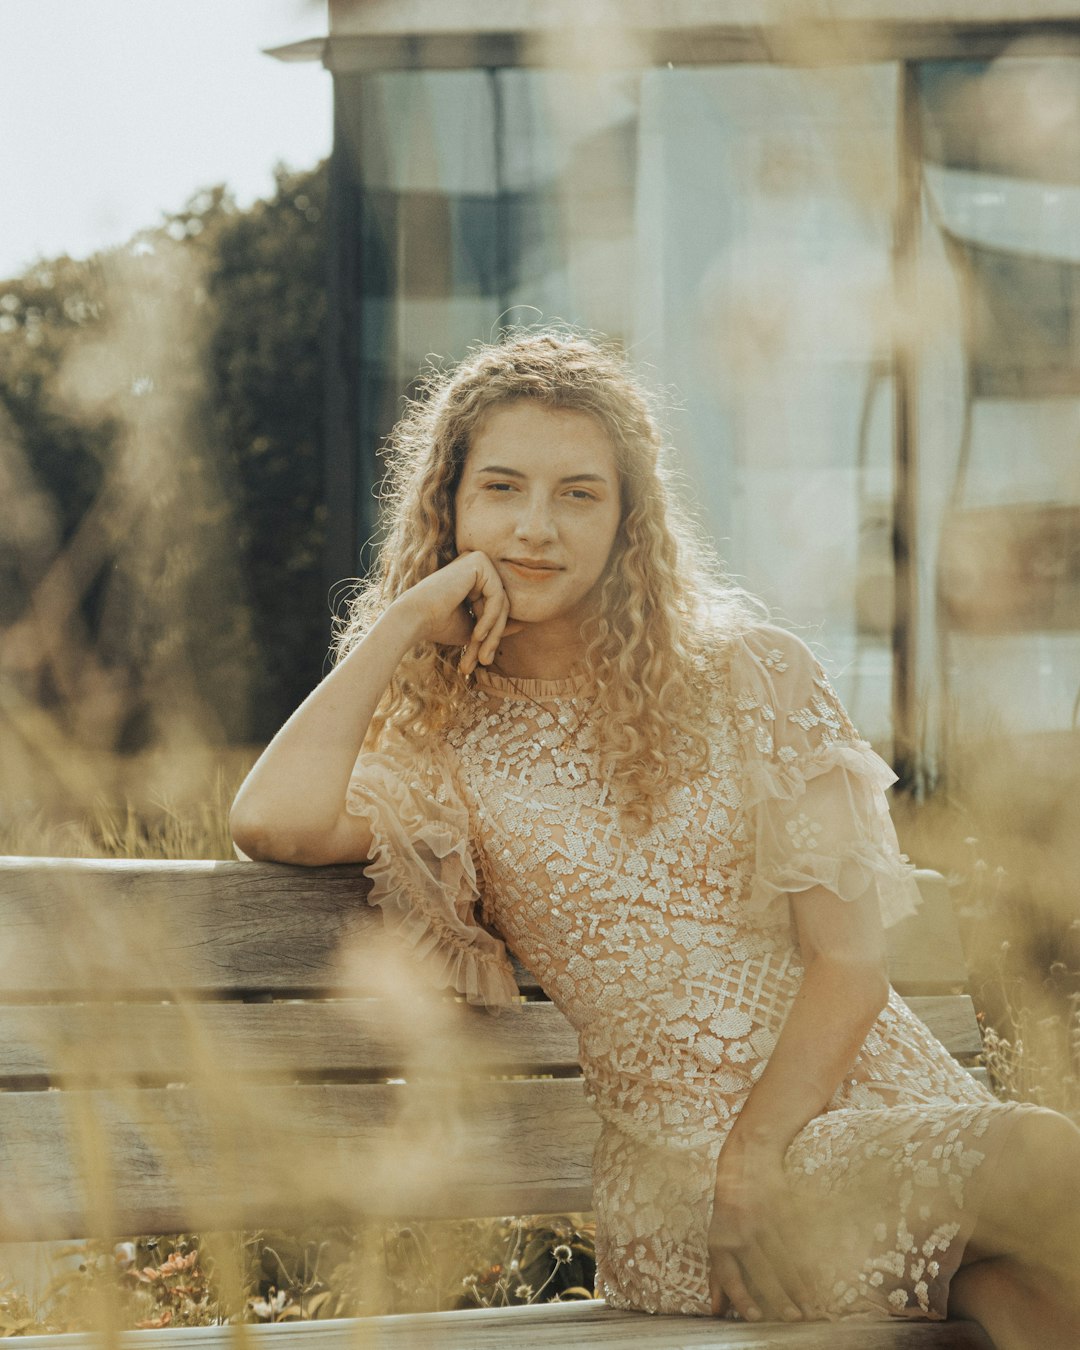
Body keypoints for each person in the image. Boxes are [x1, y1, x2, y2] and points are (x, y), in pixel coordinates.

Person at [231, 330, 1079, 1346]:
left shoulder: (755, 677)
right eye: (501, 488)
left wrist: (756, 1159)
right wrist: (405, 619)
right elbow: (269, 818)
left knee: (1030, 1303)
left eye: (579, 493)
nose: (535, 528)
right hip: (685, 1185)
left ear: (631, 519)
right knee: (1043, 1161)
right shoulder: (445, 751)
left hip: (859, 1130)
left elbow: (849, 964)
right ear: (448, 507)